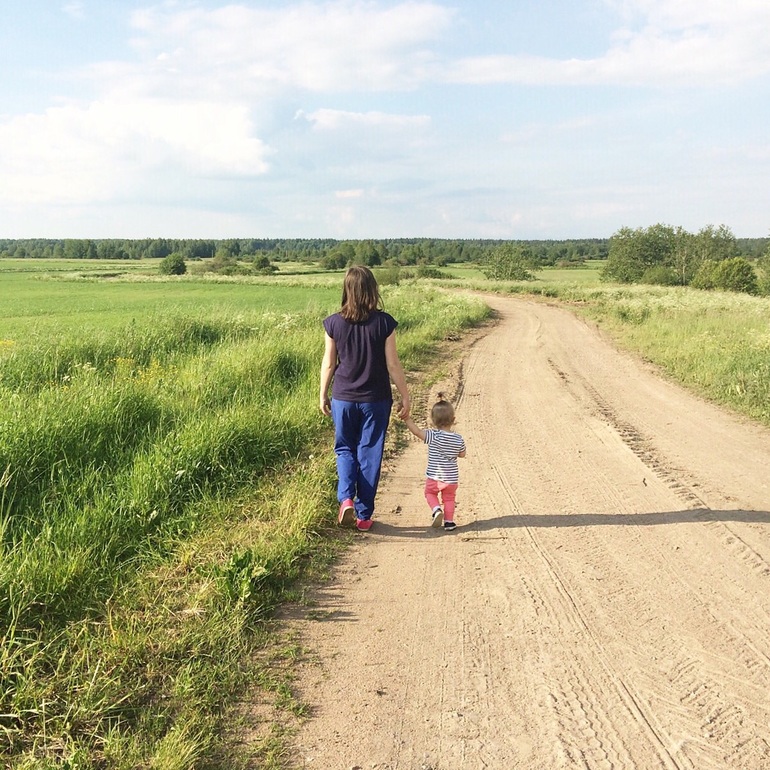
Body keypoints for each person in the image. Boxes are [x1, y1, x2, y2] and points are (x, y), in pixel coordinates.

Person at [320, 265, 410, 531]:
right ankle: (363, 516)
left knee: (345, 448)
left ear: (347, 289)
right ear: (372, 289)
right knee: (369, 451)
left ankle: (346, 499)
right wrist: (405, 395)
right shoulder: (384, 323)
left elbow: (329, 363)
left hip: (343, 398)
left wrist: (322, 393)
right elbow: (393, 364)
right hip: (376, 399)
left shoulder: (333, 323)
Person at [402, 392, 466, 531]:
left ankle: (436, 509)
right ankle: (449, 522)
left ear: (433, 421)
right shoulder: (458, 439)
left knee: (430, 493)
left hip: (434, 477)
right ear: (453, 419)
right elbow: (462, 454)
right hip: (451, 479)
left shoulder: (433, 435)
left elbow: (417, 432)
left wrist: (407, 419)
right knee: (449, 499)